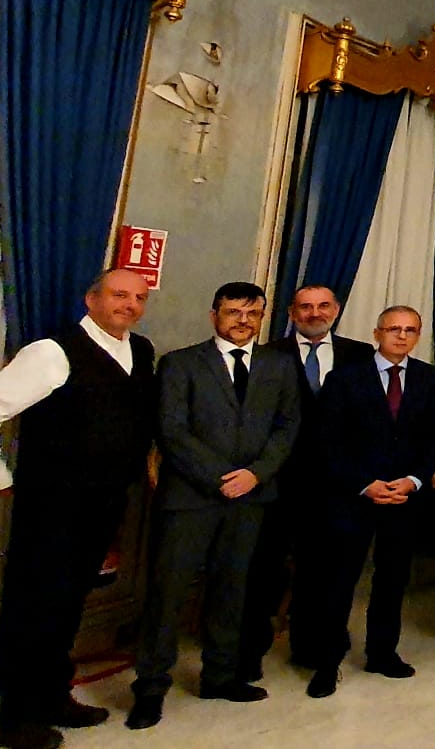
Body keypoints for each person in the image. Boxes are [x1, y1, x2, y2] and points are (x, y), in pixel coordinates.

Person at [0, 269, 156, 749]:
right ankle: (18, 719)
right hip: (52, 508)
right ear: (91, 299)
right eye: (118, 294)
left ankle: (52, 697)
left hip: (105, 505)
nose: (129, 305)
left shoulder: (141, 351)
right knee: (33, 610)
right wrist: (0, 480)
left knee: (67, 609)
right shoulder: (51, 352)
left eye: (138, 297)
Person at [128, 281, 302, 727]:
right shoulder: (180, 363)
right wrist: (220, 478)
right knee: (167, 594)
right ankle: (150, 687)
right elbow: (171, 430)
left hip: (252, 498)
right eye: (232, 312)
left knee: (232, 590)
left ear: (262, 317)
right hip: (190, 498)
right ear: (214, 316)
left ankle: (220, 677)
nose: (242, 321)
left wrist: (255, 474)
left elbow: (287, 428)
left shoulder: (280, 365)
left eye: (252, 313)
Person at [299, 306, 435, 699]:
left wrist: (414, 480)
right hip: (354, 496)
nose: (401, 336)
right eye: (394, 329)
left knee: (393, 579)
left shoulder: (429, 378)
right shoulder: (345, 378)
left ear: (418, 336)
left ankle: (382, 653)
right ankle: (327, 662)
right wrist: (364, 484)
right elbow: (328, 439)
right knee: (339, 581)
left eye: (410, 330)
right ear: (377, 332)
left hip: (403, 497)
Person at [243, 283, 370, 679]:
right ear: (292, 313)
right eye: (306, 307)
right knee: (263, 568)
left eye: (323, 306)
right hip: (277, 480)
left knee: (321, 568)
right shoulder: (268, 355)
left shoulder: (361, 355)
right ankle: (249, 652)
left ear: (336, 309)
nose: (315, 313)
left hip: (336, 484)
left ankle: (311, 646)